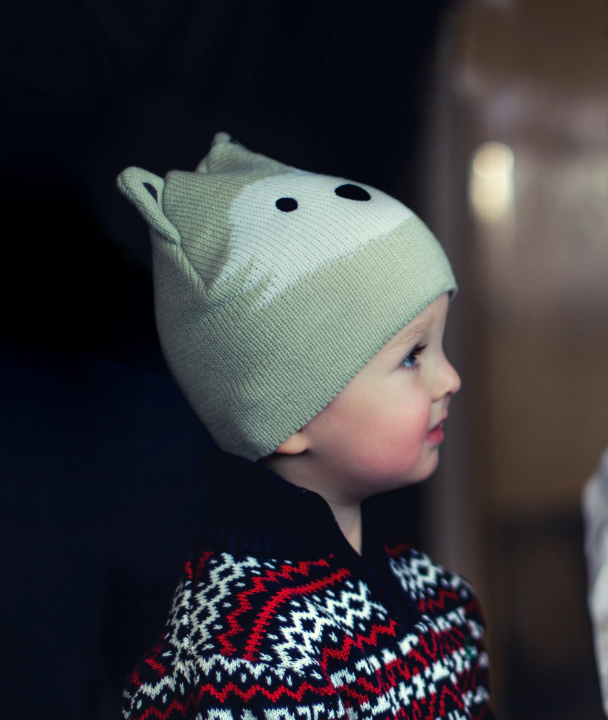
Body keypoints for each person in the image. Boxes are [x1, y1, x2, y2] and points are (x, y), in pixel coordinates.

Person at [115, 133, 492, 719]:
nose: (450, 379)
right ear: (285, 414)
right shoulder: (248, 659)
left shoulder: (442, 600)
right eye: (412, 355)